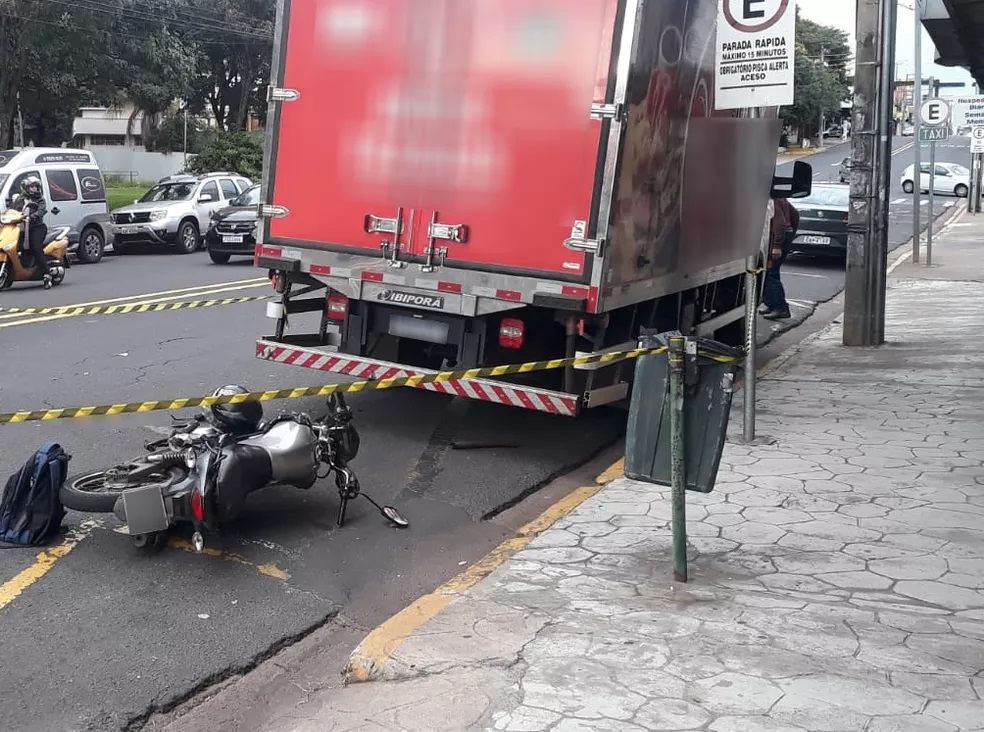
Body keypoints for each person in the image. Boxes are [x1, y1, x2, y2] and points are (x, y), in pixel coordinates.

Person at [760, 196, 799, 320]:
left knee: (771, 273)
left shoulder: (773, 199)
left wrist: (777, 245)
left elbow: (780, 222)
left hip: (776, 239)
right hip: (783, 236)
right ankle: (772, 304)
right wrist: (791, 233)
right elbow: (795, 214)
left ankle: (780, 307)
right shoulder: (780, 197)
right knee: (769, 273)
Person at [11, 176, 49, 275]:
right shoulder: (20, 199)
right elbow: (12, 210)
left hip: (37, 227)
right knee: (13, 246)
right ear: (26, 187)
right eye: (32, 187)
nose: (34, 188)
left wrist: (32, 217)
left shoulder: (40, 199)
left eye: (36, 187)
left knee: (36, 247)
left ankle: (46, 272)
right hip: (21, 227)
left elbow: (41, 211)